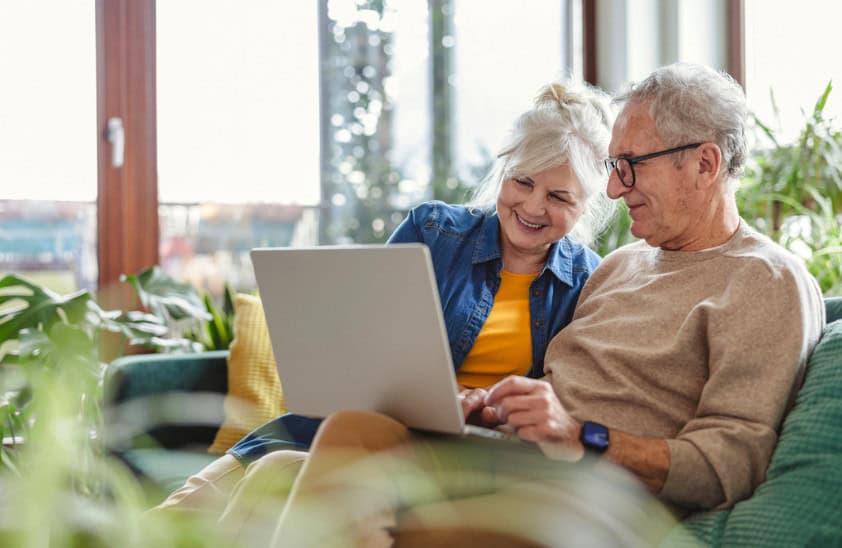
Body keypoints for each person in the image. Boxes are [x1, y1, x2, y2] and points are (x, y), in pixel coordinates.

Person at [256, 63, 826, 546]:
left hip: (594, 498)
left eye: (631, 165)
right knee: (353, 432)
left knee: (336, 498)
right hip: (503, 457)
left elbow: (729, 462)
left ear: (704, 164)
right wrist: (498, 406)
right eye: (613, 166)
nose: (612, 190)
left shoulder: (766, 281)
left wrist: (583, 438)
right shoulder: (619, 267)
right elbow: (556, 385)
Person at [151, 79, 618, 542]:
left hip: (460, 457)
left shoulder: (589, 283)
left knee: (269, 479)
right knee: (180, 512)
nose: (533, 206)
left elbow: (562, 405)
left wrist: (491, 408)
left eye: (559, 197)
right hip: (355, 428)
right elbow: (364, 349)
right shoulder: (434, 230)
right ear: (504, 171)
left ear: (586, 205)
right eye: (523, 181)